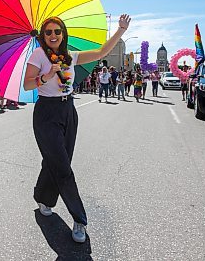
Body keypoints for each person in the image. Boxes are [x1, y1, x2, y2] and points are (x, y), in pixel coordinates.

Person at [23, 14, 131, 243]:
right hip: (46, 113)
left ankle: (42, 197)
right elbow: (28, 83)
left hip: (68, 111)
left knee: (57, 161)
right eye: (48, 32)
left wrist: (120, 31)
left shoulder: (70, 57)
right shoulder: (38, 54)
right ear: (43, 35)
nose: (53, 35)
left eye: (57, 31)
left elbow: (101, 53)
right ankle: (79, 219)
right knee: (62, 167)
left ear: (63, 34)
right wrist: (48, 75)